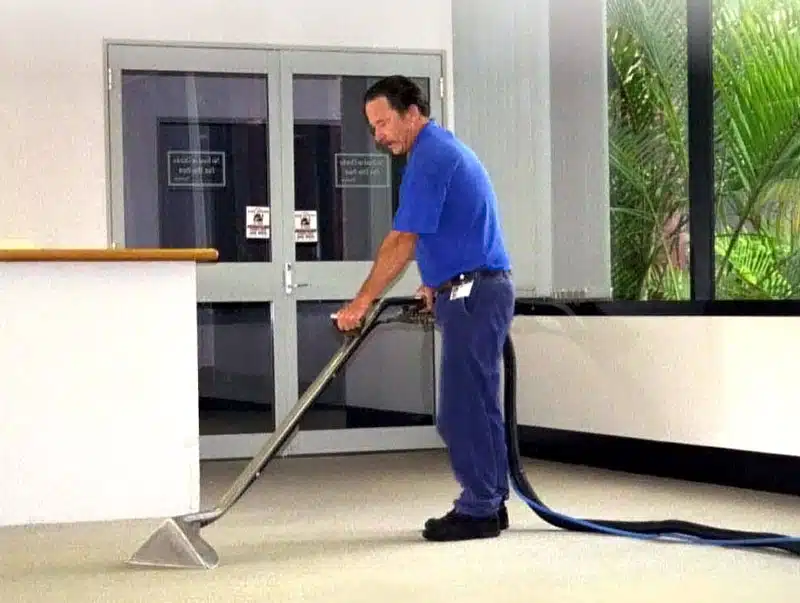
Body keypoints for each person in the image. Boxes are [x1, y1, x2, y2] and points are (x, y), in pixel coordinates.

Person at [334, 75, 515, 542]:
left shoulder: (431, 158)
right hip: (472, 290)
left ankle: (478, 508)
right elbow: (448, 230)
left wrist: (361, 300)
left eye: (383, 123)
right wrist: (434, 283)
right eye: (372, 128)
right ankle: (491, 502)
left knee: (459, 409)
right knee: (477, 402)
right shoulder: (436, 151)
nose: (379, 136)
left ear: (412, 112)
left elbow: (402, 241)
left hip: (475, 295)